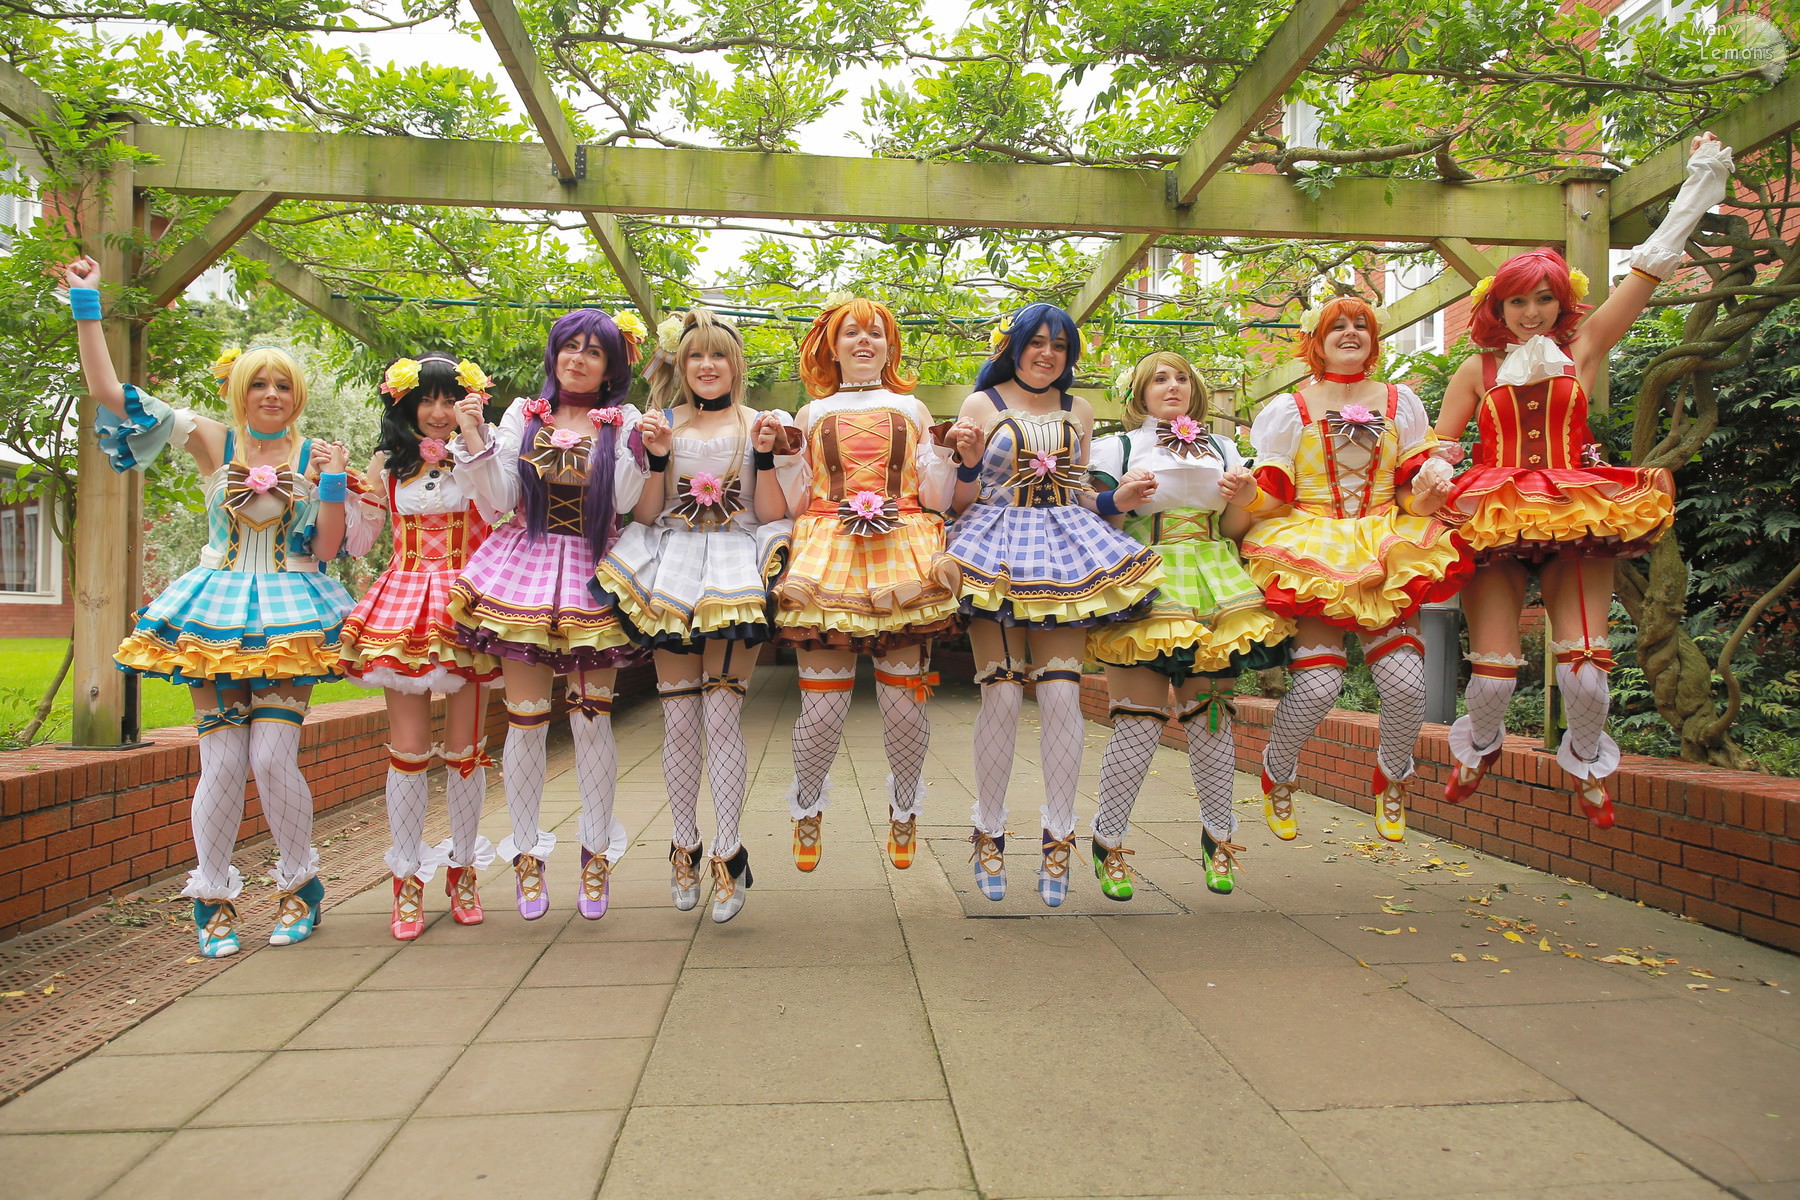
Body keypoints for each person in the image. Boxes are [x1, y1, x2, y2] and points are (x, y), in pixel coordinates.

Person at [1434, 134, 1732, 828]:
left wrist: (1699, 185)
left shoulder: (1584, 347)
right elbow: (1442, 444)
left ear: (1561, 301)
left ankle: (1589, 763)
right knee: (1494, 678)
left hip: (1576, 510)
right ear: (1498, 308)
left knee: (1586, 673)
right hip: (1493, 512)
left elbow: (1648, 271)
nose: (1531, 312)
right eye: (1517, 301)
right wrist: (1432, 472)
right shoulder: (1475, 369)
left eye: (1543, 298)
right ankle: (1479, 747)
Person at [61, 255, 352, 957]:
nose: (272, 394)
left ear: (298, 395)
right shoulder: (210, 438)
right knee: (220, 763)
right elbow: (108, 394)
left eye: (283, 384)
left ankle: (299, 886)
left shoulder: (316, 454)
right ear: (240, 391)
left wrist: (334, 483)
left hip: (290, 614)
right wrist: (87, 304)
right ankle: (213, 898)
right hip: (215, 611)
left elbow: (327, 546)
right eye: (260, 383)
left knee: (274, 758)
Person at [941, 303, 1164, 907]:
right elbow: (959, 500)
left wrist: (1121, 499)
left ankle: (1059, 837)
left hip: (1065, 552)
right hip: (994, 549)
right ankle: (989, 832)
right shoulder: (981, 404)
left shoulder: (1078, 409)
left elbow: (1084, 495)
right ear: (1013, 346)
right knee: (1002, 695)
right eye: (1036, 342)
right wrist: (965, 461)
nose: (1047, 353)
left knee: (1064, 698)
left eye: (1059, 346)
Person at [595, 309, 803, 922]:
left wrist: (764, 456)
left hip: (735, 567)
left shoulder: (759, 423)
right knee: (680, 718)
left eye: (717, 355)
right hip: (673, 569)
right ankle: (683, 844)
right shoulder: (662, 424)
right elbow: (645, 515)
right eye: (695, 356)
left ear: (736, 365)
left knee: (723, 713)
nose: (707, 365)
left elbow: (771, 514)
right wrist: (658, 458)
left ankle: (728, 851)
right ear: (680, 365)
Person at [1239, 296, 1467, 843]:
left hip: (1382, 546)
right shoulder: (1290, 408)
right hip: (1311, 548)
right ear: (1316, 340)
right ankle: (1278, 771)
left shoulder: (1401, 401)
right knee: (1318, 687)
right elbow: (1275, 493)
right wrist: (1245, 495)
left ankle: (1393, 777)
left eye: (1360, 325)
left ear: (1373, 338)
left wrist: (1430, 495)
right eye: (1336, 325)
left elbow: (1410, 493)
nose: (1350, 333)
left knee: (1406, 685)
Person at [446, 310, 649, 920]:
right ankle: (527, 857)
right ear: (555, 354)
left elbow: (624, 501)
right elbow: (499, 499)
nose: (578, 359)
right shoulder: (522, 414)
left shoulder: (624, 421)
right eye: (570, 347)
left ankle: (595, 856)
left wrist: (642, 448)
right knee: (527, 721)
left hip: (592, 569)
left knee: (591, 721)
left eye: (594, 351)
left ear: (611, 367)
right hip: (526, 566)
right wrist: (474, 435)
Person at [1087, 351, 1293, 898]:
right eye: (1159, 378)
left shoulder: (1223, 447)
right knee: (1139, 723)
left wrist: (1244, 499)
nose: (1172, 385)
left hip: (1215, 582)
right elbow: (1094, 517)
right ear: (1139, 392)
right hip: (1145, 578)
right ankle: (1108, 842)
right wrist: (1119, 499)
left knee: (1212, 718)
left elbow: (1234, 527)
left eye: (1181, 377)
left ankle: (1219, 838)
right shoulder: (1117, 447)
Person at [772, 296, 960, 873]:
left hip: (903, 557)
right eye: (851, 333)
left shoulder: (914, 408)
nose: (863, 341)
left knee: (904, 706)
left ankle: (904, 809)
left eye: (875, 333)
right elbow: (798, 501)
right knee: (821, 712)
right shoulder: (810, 414)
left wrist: (947, 452)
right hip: (826, 557)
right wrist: (783, 457)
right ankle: (807, 808)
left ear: (889, 346)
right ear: (831, 346)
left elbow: (935, 497)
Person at [339, 354, 511, 940]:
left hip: (467, 602)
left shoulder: (479, 454)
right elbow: (360, 542)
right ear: (407, 404)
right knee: (408, 751)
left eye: (449, 400)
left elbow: (500, 509)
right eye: (427, 400)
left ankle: (464, 871)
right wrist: (337, 486)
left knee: (467, 750)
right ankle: (406, 879)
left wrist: (473, 439)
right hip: (404, 603)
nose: (438, 412)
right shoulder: (388, 464)